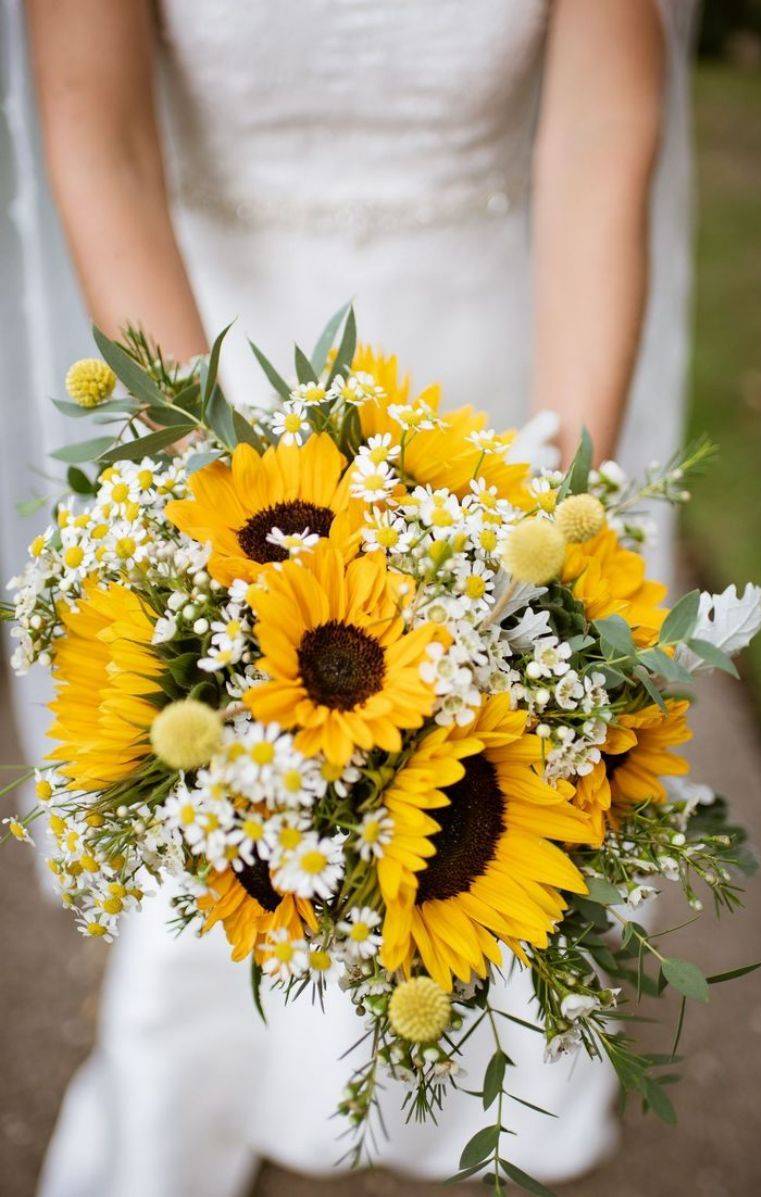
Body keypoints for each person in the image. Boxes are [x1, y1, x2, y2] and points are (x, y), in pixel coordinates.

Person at [2, 2, 697, 1194]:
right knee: (222, 751)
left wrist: (554, 513)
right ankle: (209, 1086)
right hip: (207, 352)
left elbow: (596, 127)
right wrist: (209, 486)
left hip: (493, 358)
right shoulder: (205, 426)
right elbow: (98, 132)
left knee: (497, 766)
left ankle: (468, 1069)